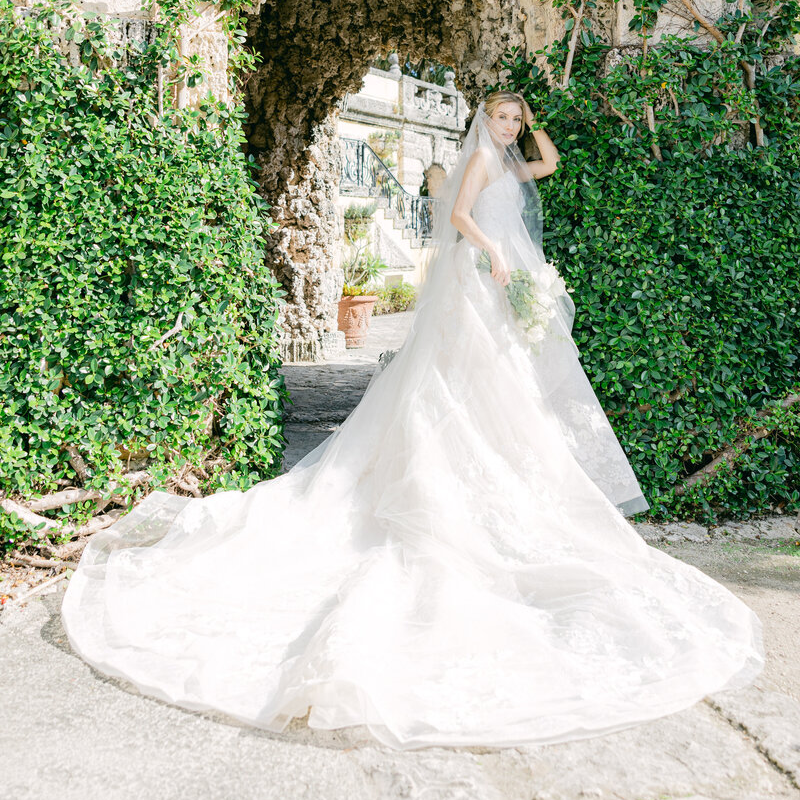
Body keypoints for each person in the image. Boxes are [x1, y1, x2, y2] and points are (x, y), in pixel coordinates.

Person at [61, 90, 764, 751]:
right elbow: (459, 217)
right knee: (461, 383)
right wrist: (491, 252)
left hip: (505, 279)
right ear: (482, 122)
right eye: (502, 117)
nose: (510, 129)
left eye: (516, 120)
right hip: (478, 277)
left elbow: (548, 162)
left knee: (504, 387)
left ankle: (492, 468)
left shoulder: (515, 156)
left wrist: (537, 117)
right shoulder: (482, 160)